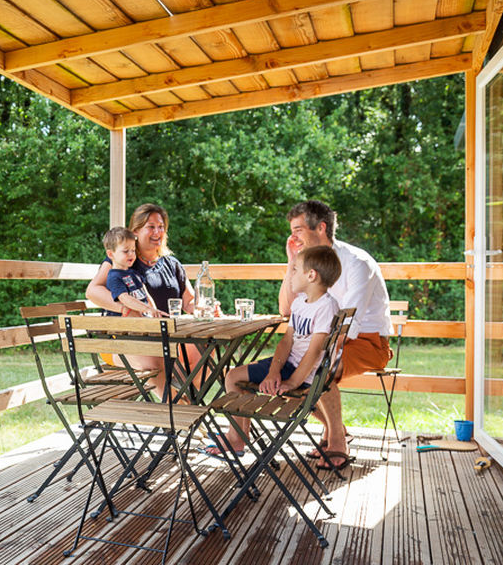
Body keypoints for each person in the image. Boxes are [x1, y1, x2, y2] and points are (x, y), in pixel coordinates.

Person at [279, 200, 392, 470]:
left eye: (298, 230)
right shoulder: (309, 263)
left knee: (319, 368)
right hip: (327, 340)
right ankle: (335, 428)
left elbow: (347, 324)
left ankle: (337, 441)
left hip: (368, 342)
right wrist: (291, 262)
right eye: (291, 231)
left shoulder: (356, 263)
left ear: (321, 228)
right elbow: (285, 308)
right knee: (281, 373)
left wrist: (315, 355)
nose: (293, 237)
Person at [216, 245, 341, 457]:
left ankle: (236, 439)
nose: (290, 275)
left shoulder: (326, 307)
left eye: (294, 269)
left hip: (301, 373)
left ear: (311, 275)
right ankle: (239, 436)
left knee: (233, 377)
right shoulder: (301, 302)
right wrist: (274, 371)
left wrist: (291, 382)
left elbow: (314, 353)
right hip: (289, 365)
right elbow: (286, 341)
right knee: (235, 376)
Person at [87, 203, 198, 400]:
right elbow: (93, 291)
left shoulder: (172, 264)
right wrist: (123, 308)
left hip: (166, 338)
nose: (158, 232)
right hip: (123, 339)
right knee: (155, 357)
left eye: (161, 226)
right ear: (136, 231)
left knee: (203, 351)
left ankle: (183, 399)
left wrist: (205, 308)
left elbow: (189, 302)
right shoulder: (123, 259)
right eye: (151, 226)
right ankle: (180, 409)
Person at [102, 226, 165, 318]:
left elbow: (146, 296)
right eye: (126, 251)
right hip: (124, 327)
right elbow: (125, 298)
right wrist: (147, 309)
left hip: (142, 321)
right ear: (110, 254)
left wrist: (155, 313)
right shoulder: (114, 277)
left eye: (133, 250)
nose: (131, 254)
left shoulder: (134, 273)